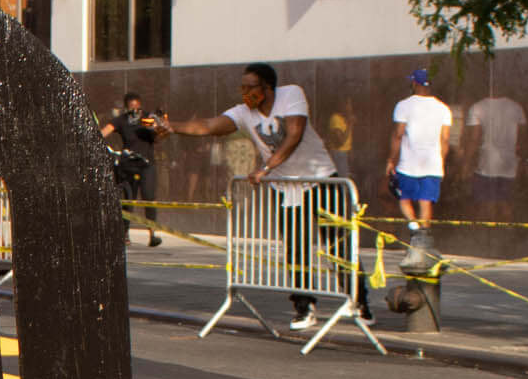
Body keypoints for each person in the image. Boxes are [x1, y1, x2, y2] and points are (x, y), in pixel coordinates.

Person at [167, 61, 345, 325]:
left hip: (320, 179)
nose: (246, 93)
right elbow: (208, 125)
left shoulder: (291, 95)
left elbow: (294, 134)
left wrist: (266, 167)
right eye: (243, 87)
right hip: (286, 187)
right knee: (296, 247)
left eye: (251, 87)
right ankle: (304, 307)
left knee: (338, 244)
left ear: (267, 88)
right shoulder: (243, 112)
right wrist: (173, 126)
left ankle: (358, 301)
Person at [386, 67, 457, 249]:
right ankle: (424, 237)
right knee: (426, 202)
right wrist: (441, 162)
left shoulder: (403, 105)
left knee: (404, 199)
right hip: (432, 164)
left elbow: (398, 134)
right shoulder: (443, 108)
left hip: (408, 164)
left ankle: (414, 227)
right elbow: (445, 139)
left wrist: (391, 160)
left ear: (414, 83)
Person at [100, 91, 163, 247]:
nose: (135, 110)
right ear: (127, 107)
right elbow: (104, 131)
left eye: (137, 107)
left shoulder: (146, 118)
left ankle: (153, 233)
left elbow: (157, 131)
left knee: (149, 197)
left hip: (147, 164)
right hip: (128, 165)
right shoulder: (121, 120)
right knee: (128, 200)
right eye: (132, 107)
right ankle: (125, 233)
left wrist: (157, 122)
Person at [462, 86, 528, 217]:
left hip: (487, 164)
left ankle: (489, 235)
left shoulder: (478, 107)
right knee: (506, 204)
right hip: (510, 164)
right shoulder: (516, 107)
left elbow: (474, 139)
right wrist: (523, 162)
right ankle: (506, 234)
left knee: (487, 205)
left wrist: (466, 162)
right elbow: (523, 138)